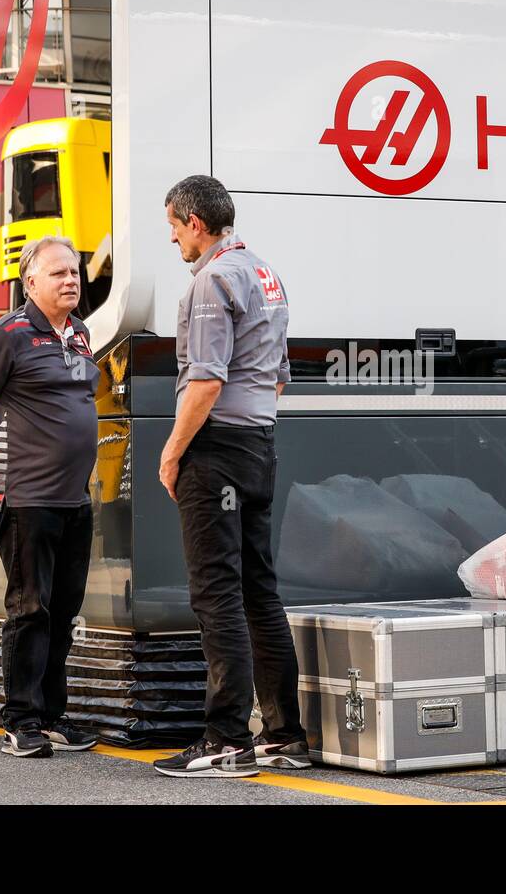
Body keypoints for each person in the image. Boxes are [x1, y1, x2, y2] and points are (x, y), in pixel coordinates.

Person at [152, 175, 309, 778]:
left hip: (215, 448)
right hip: (259, 444)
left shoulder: (211, 280)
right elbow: (277, 377)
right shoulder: (266, 273)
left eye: (173, 227)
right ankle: (282, 734)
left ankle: (224, 739)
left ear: (195, 222)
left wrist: (172, 453)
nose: (173, 240)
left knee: (215, 593)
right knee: (258, 592)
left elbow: (207, 379)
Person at [0, 235, 101, 759]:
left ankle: (52, 714)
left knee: (63, 610)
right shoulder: (9, 334)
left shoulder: (80, 333)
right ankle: (20, 719)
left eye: (75, 273)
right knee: (29, 608)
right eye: (59, 273)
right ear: (30, 281)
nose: (71, 281)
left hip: (74, 499)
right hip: (24, 497)